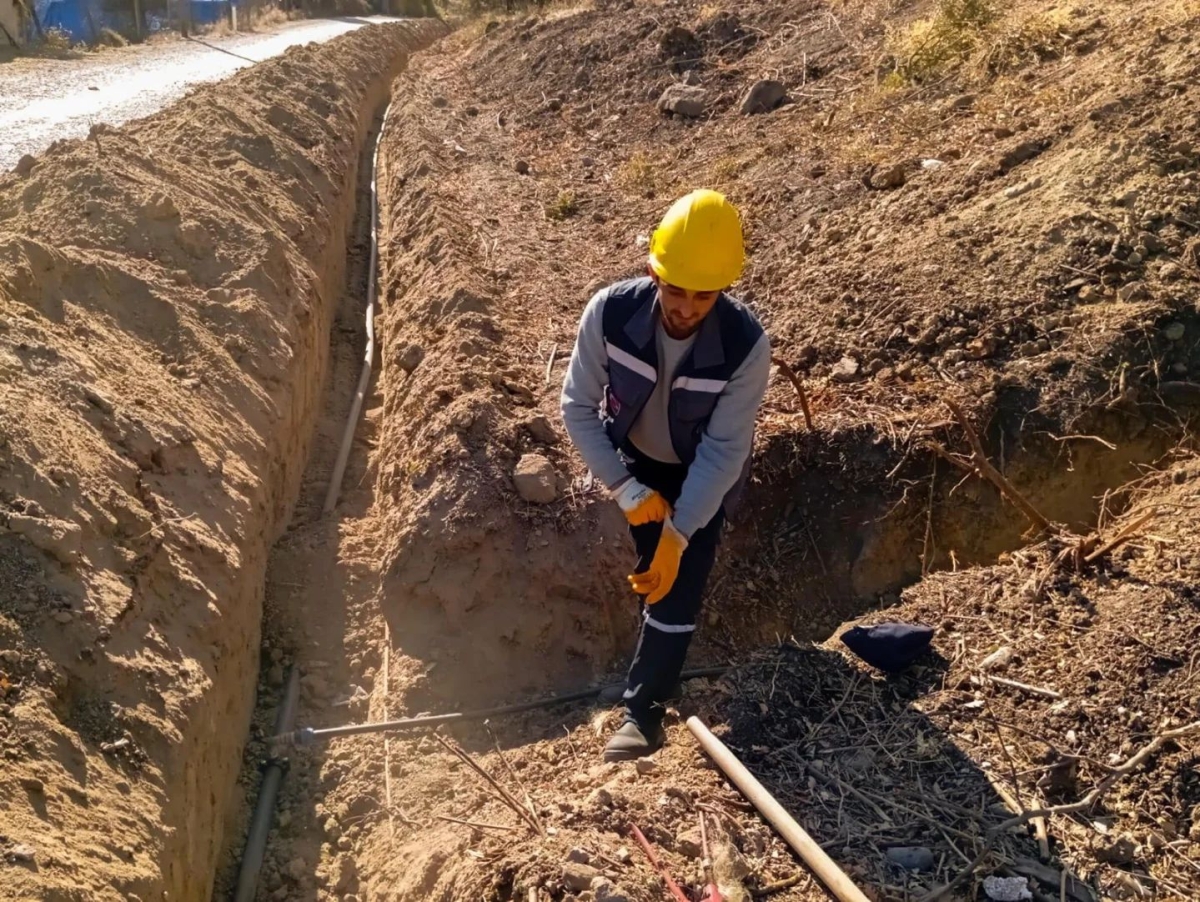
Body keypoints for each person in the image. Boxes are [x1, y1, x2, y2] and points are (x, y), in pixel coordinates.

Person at [560, 189, 771, 761]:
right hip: (634, 461)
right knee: (649, 572)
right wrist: (625, 488)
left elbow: (726, 450)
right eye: (675, 289)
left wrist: (680, 535)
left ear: (724, 288)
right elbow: (578, 407)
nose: (685, 306)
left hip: (701, 471)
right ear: (654, 270)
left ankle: (644, 713)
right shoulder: (610, 313)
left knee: (674, 583)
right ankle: (643, 671)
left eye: (703, 296)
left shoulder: (744, 346)